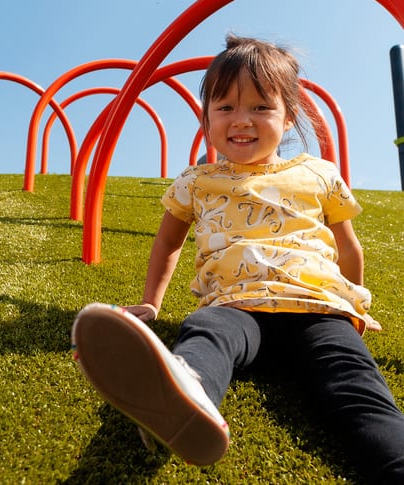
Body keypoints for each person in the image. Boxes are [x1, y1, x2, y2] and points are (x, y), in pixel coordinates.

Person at [72, 35, 404, 481]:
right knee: (206, 335)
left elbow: (348, 247)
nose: (241, 120)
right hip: (235, 306)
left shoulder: (317, 173)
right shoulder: (198, 180)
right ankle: (186, 398)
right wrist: (152, 303)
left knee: (353, 382)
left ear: (288, 118)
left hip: (315, 309)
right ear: (207, 117)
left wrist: (354, 307)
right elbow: (167, 243)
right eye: (225, 107)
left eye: (260, 107)